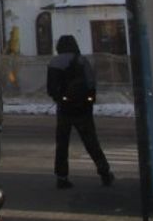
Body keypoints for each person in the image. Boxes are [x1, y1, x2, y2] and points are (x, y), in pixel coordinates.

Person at [47, 34, 114, 189]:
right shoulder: (82, 60)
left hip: (64, 109)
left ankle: (62, 177)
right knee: (91, 142)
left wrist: (60, 99)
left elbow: (51, 88)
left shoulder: (54, 62)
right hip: (83, 109)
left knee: (62, 144)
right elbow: (91, 83)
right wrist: (88, 101)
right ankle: (105, 173)